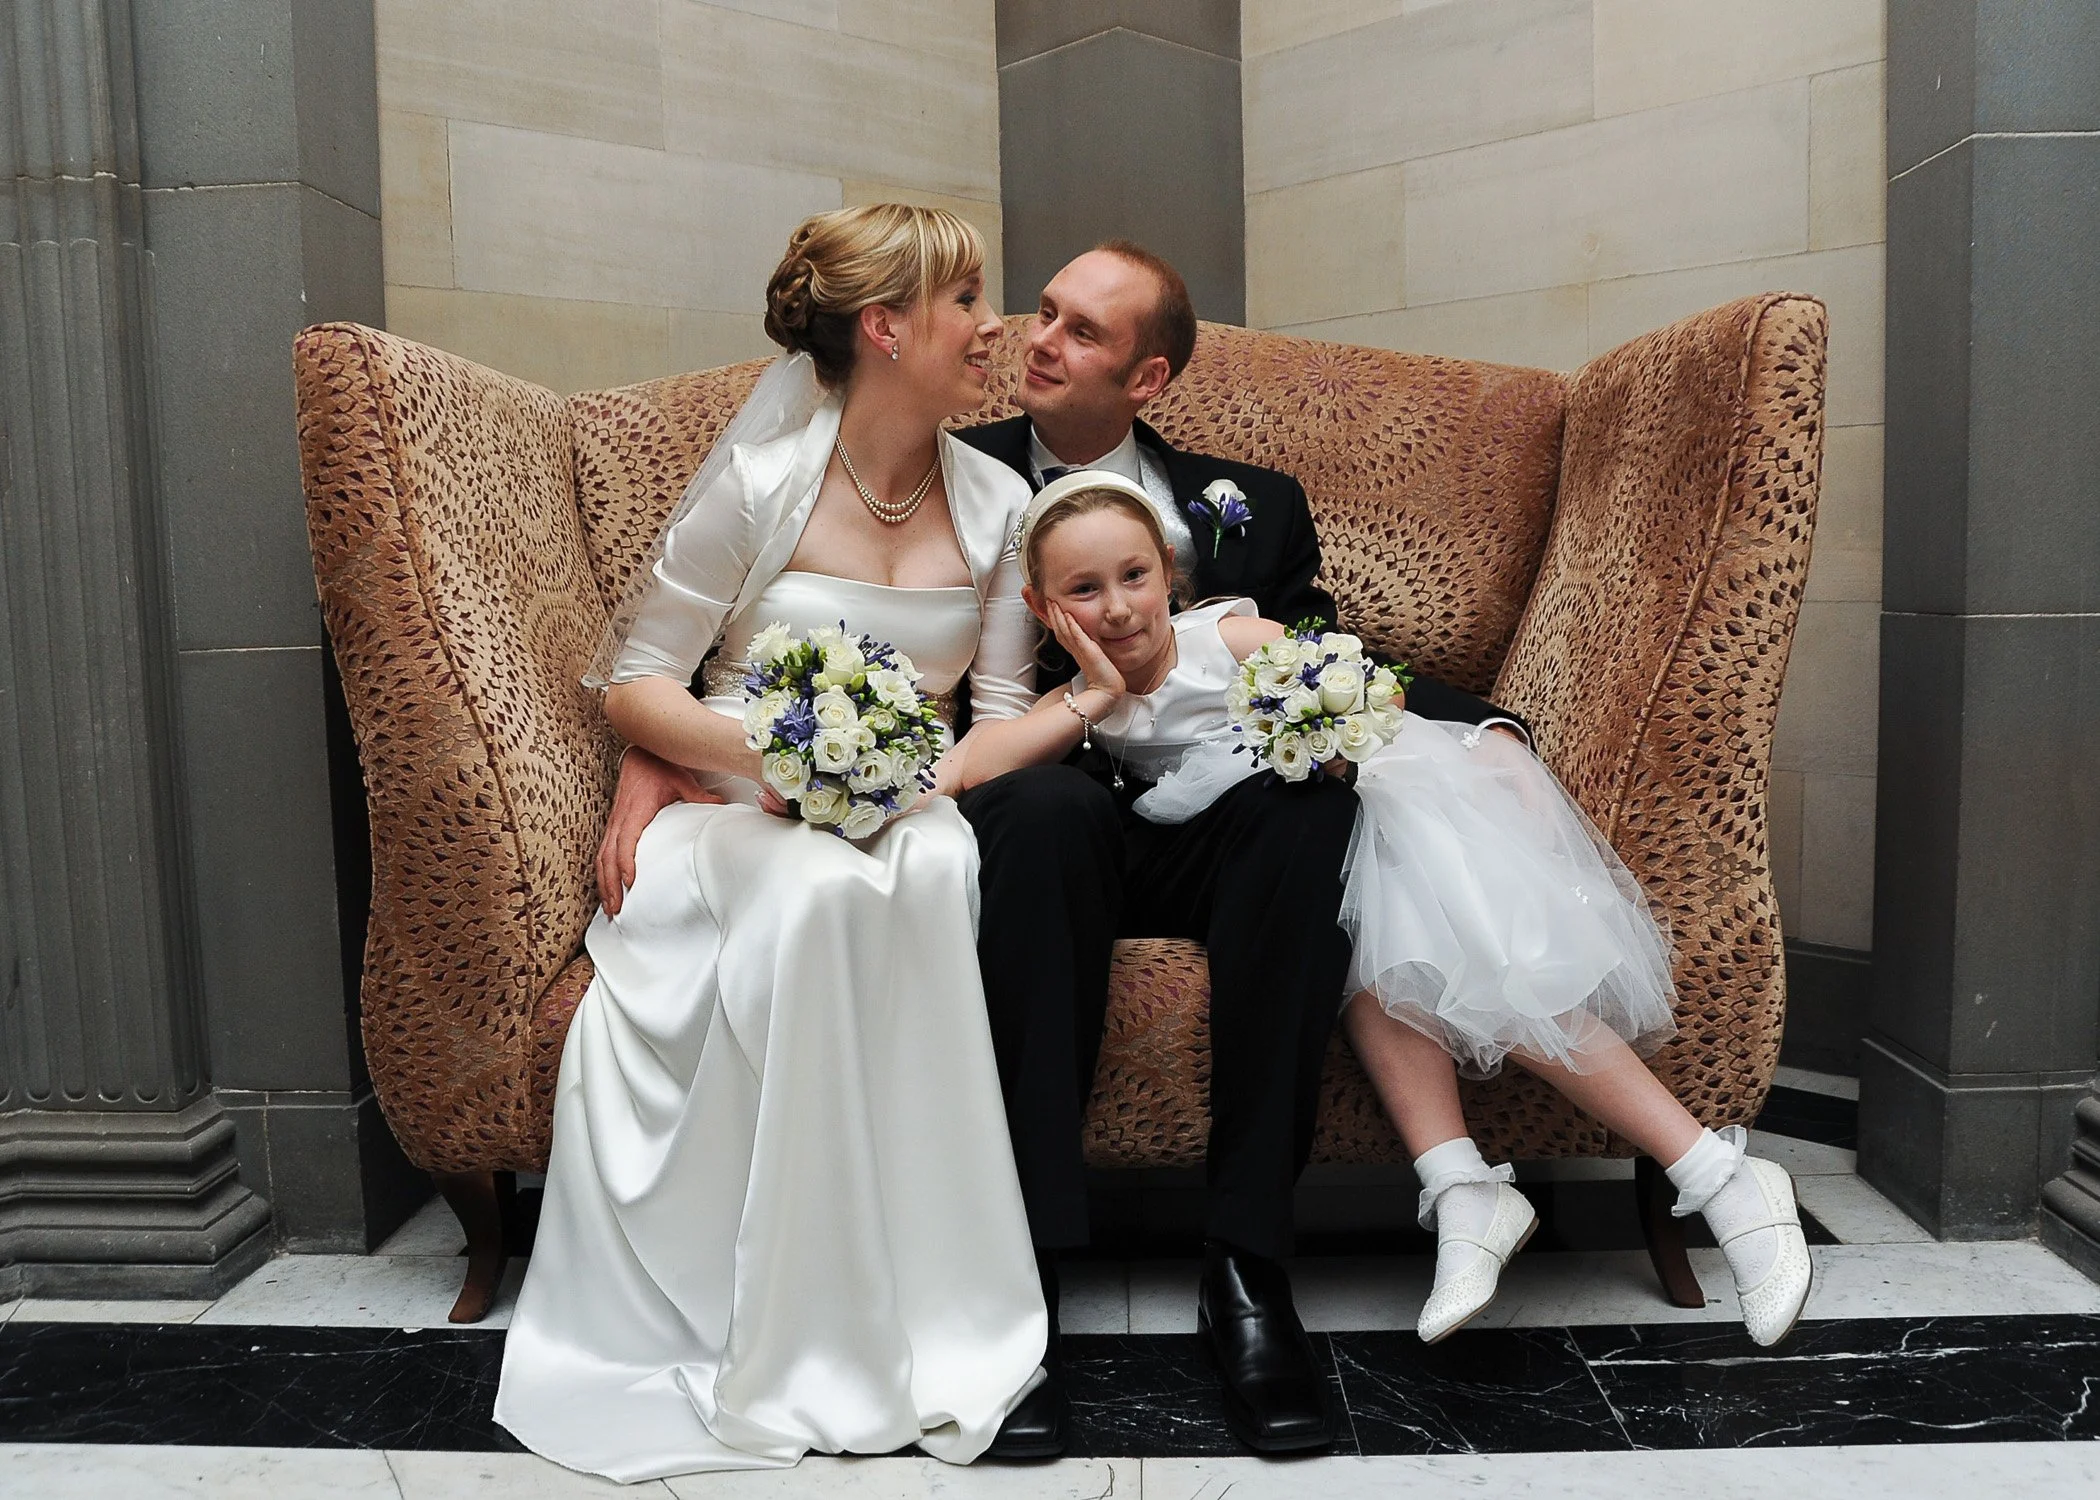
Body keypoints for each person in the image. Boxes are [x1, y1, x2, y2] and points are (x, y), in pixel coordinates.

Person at [593, 241, 1535, 1458]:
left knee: (1310, 808)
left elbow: (1324, 670)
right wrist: (657, 750)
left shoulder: (1253, 502)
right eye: (1032, 313)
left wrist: (1484, 726)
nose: (1032, 339)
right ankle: (1017, 1277)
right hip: (1041, 808)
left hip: (1215, 819)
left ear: (1145, 380)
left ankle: (1250, 1272)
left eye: (1080, 332)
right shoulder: (956, 472)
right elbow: (723, 644)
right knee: (1041, 820)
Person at [949, 475, 1816, 1356]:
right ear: (1042, 606)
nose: (1119, 610)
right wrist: (1091, 692)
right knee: (1385, 962)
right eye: (1085, 591)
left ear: (1169, 571)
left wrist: (1486, 735)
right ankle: (1464, 1189)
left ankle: (1719, 1174)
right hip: (1281, 858)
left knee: (1490, 966)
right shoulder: (1069, 696)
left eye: (1134, 576)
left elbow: (1367, 687)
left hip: (1375, 805)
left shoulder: (1230, 636)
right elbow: (971, 769)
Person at [493, 205, 1047, 1480]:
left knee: (941, 865)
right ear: (885, 326)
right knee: (814, 900)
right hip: (734, 817)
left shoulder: (1001, 501)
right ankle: (802, 1335)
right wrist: (780, 760)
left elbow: (1001, 712)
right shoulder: (758, 484)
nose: (993, 326)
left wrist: (901, 782)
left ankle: (940, 1315)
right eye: (968, 301)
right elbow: (637, 680)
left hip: (910, 809)